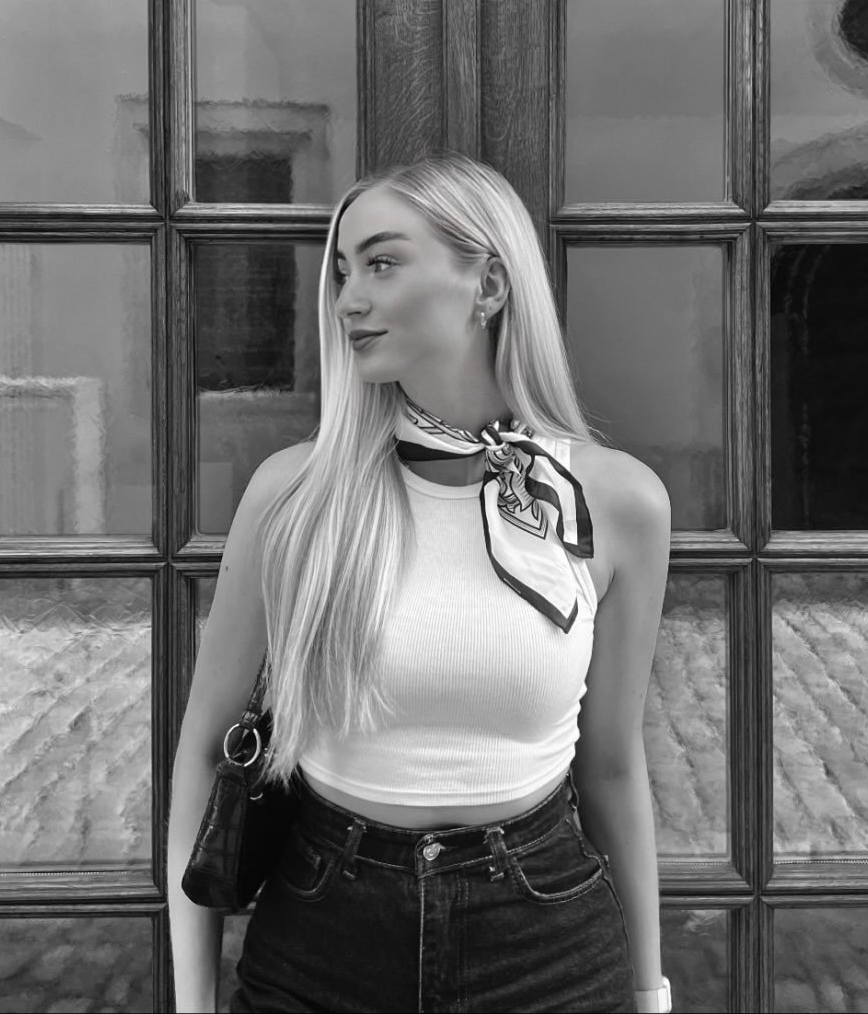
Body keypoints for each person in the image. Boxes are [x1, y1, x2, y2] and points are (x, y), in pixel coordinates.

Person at [168, 153, 672, 1013]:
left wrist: (650, 993)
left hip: (544, 941)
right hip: (320, 941)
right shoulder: (296, 494)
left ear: (489, 285)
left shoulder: (616, 504)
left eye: (382, 263)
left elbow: (614, 767)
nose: (347, 299)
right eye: (343, 271)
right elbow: (208, 751)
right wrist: (191, 1003)